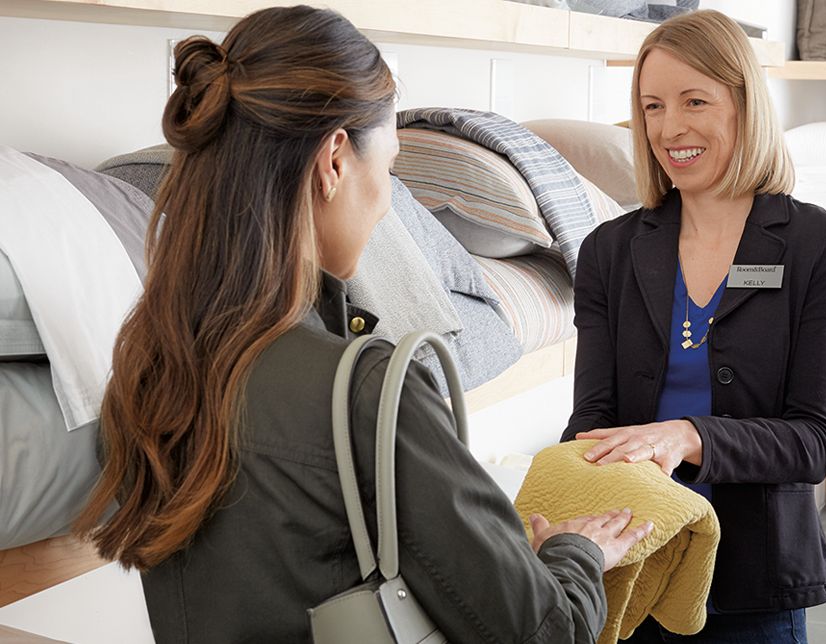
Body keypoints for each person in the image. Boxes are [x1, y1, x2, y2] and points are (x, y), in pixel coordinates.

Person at [73, 6, 654, 643]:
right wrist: (574, 554)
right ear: (334, 161)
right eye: (391, 167)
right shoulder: (364, 390)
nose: (387, 199)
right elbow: (547, 634)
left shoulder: (151, 365)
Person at [562, 10, 826, 644]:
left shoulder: (815, 244)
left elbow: (815, 442)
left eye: (694, 100)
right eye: (652, 106)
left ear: (745, 105)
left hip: (755, 580)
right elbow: (592, 417)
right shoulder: (609, 251)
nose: (670, 128)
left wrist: (686, 437)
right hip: (632, 564)